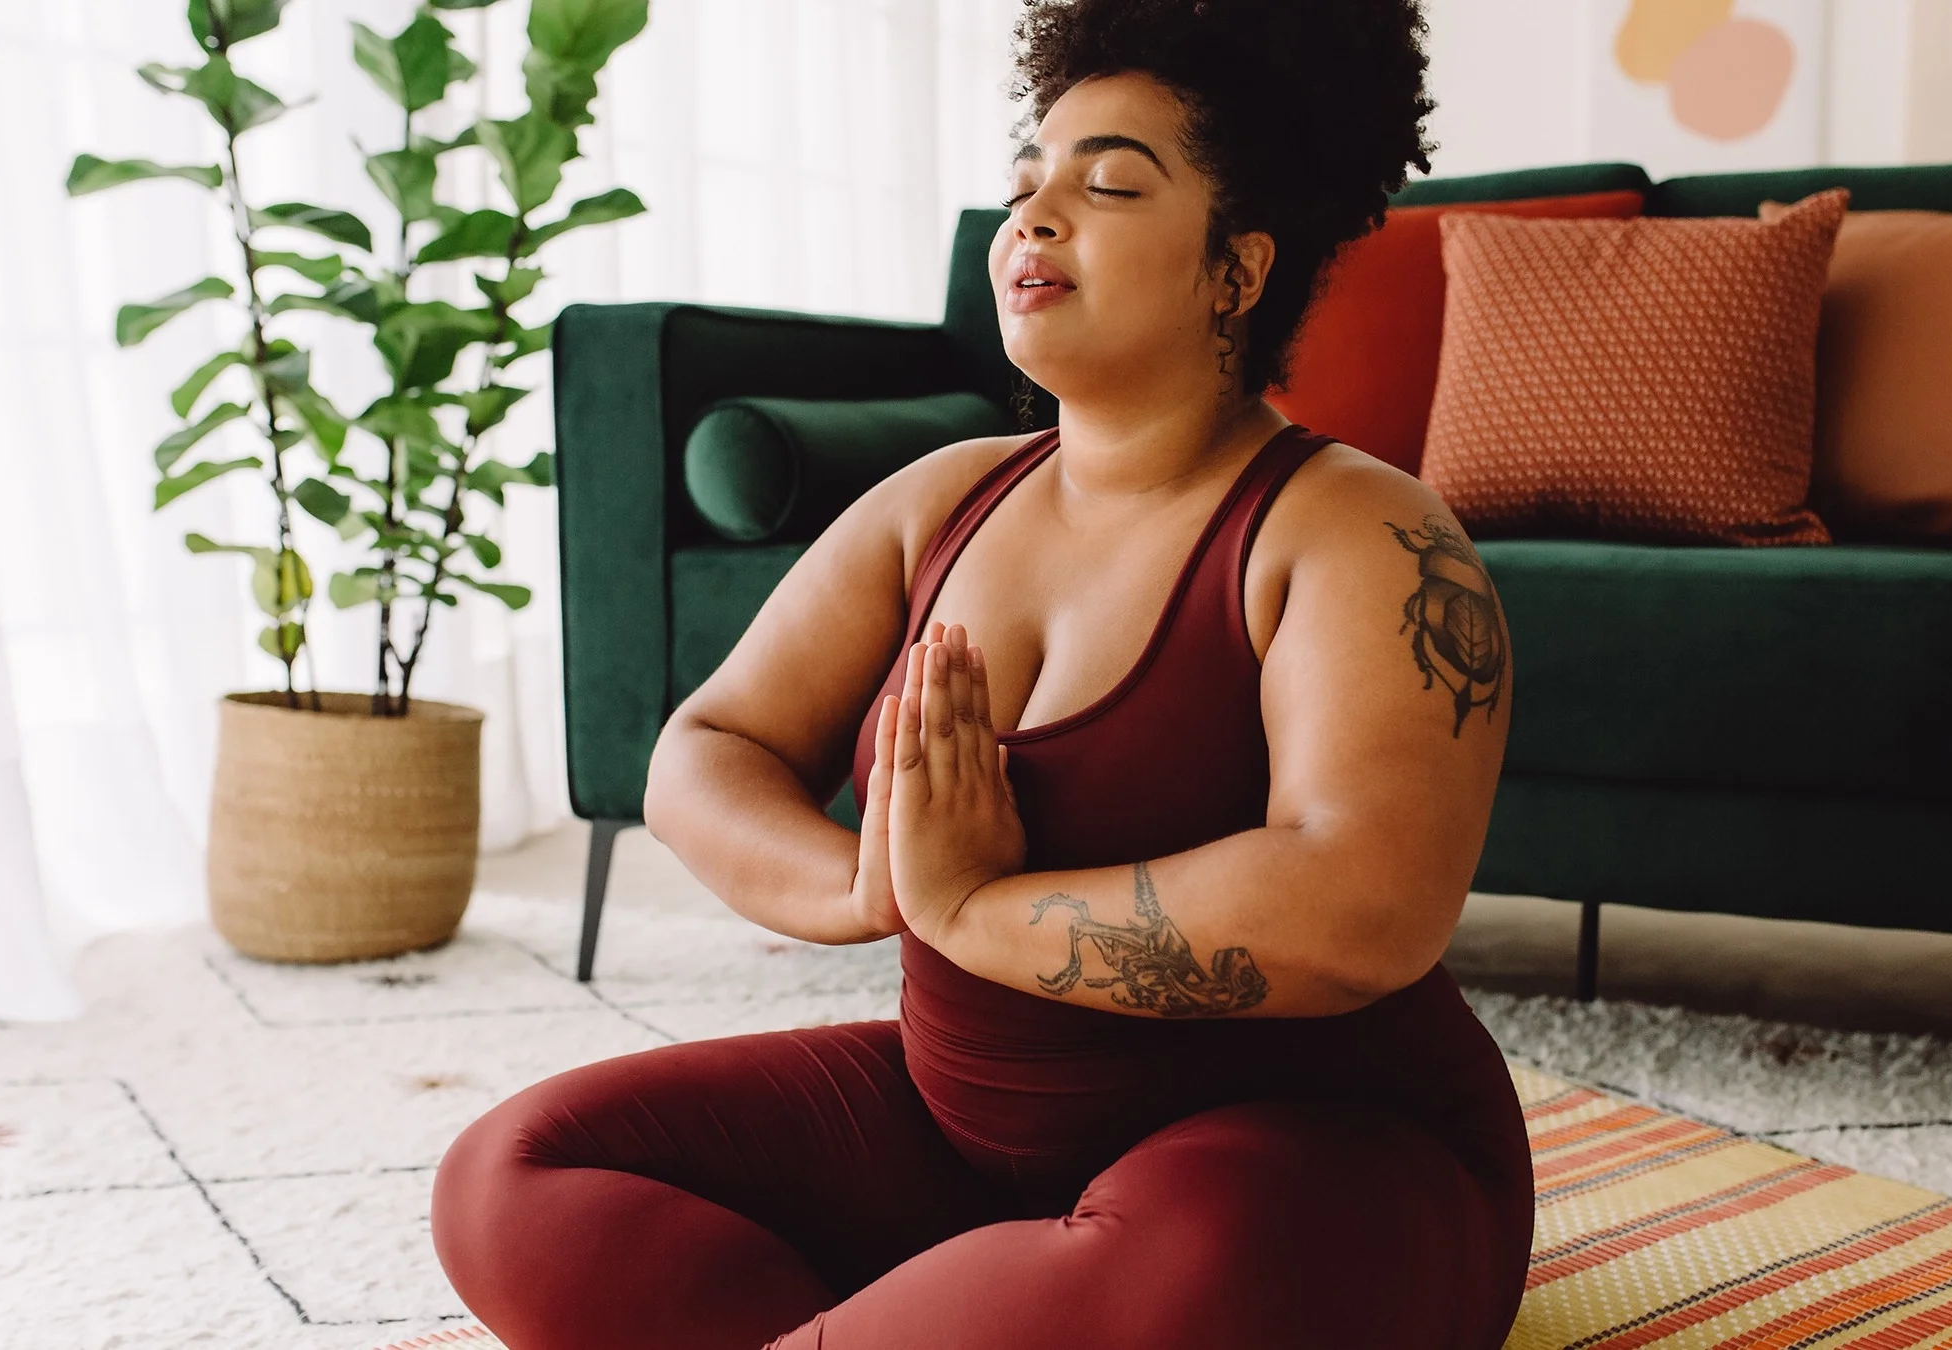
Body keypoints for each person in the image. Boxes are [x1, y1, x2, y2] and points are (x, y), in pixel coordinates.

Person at [430, 1, 1530, 1346]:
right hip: (961, 1148)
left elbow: (1363, 902)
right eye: (1029, 183)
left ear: (1237, 271)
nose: (1038, 214)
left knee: (1194, 1273)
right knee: (514, 1173)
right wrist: (861, 883)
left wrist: (966, 904)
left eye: (1109, 182)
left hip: (1306, 1170)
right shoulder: (936, 504)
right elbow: (706, 746)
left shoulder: (1361, 532)